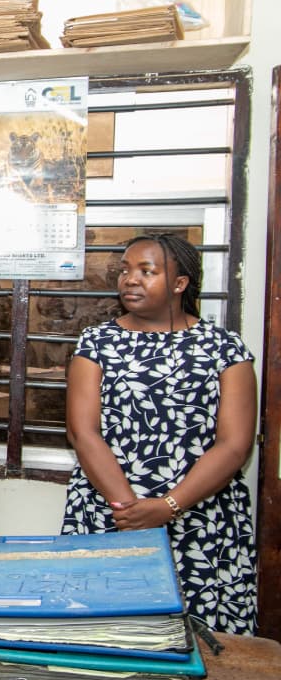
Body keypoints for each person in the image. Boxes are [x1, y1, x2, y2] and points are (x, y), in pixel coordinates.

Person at [62, 234, 257, 634]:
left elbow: (235, 445)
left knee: (201, 639)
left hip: (200, 516)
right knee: (107, 632)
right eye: (125, 270)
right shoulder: (96, 342)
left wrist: (168, 506)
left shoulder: (225, 348)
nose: (130, 279)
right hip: (112, 511)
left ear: (180, 283)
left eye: (146, 271)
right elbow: (83, 433)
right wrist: (130, 510)